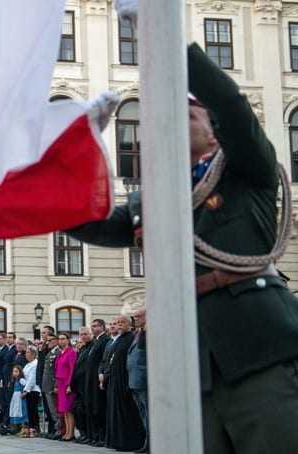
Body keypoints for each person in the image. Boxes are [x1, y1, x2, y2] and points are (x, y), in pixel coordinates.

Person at [70, 2, 298, 453]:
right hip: (187, 365)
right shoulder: (152, 199)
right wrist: (80, 144)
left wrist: (165, 40)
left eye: (185, 113)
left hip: (257, 351)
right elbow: (87, 223)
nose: (167, 121)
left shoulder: (245, 170)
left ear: (213, 131)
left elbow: (233, 107)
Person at [104, 315, 145, 452]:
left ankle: (129, 442)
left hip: (124, 380)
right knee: (115, 412)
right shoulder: (117, 340)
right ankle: (118, 441)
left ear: (129, 325)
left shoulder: (131, 337)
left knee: (126, 412)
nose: (119, 325)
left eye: (122, 322)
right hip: (114, 379)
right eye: (117, 322)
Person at [83, 319, 109, 446]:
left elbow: (103, 360)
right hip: (90, 379)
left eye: (96, 326)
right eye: (92, 326)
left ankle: (101, 437)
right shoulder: (96, 341)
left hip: (97, 379)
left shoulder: (104, 340)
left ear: (103, 327)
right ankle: (94, 436)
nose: (93, 328)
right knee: (92, 408)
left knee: (98, 408)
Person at [127, 308, 148, 453]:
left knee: (149, 414)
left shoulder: (149, 333)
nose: (136, 320)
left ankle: (150, 444)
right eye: (134, 317)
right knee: (143, 414)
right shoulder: (138, 333)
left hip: (144, 380)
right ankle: (147, 442)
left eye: (138, 316)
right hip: (134, 380)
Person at [54, 333, 77, 442]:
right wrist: (56, 385)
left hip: (67, 383)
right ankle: (67, 431)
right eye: (59, 339)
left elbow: (72, 369)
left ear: (68, 340)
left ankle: (71, 433)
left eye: (63, 339)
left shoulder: (71, 352)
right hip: (60, 383)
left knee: (69, 409)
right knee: (64, 410)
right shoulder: (60, 353)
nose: (61, 341)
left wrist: (69, 385)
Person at [72, 327, 93, 444]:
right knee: (78, 409)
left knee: (85, 409)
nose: (83, 336)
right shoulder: (83, 348)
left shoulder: (91, 346)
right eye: (81, 335)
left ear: (90, 334)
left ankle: (89, 434)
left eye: (85, 334)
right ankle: (83, 433)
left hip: (87, 383)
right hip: (79, 384)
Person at [40, 334, 61, 438]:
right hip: (46, 385)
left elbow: (56, 371)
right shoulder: (50, 352)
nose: (47, 342)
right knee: (51, 411)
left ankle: (59, 430)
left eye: (50, 340)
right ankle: (56, 429)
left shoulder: (58, 352)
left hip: (53, 385)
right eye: (47, 341)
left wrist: (55, 385)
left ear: (56, 341)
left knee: (55, 410)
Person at [22, 347, 41, 437]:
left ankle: (35, 427)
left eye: (28, 352)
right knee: (29, 409)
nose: (26, 354)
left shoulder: (35, 364)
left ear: (33, 354)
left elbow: (32, 379)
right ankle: (31, 426)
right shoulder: (28, 364)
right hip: (28, 388)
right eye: (26, 352)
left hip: (33, 390)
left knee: (33, 409)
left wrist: (26, 390)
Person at [8, 364, 28, 436]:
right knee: (15, 410)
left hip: (20, 397)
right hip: (15, 397)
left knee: (21, 411)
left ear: (20, 372)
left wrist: (24, 392)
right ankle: (16, 426)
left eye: (16, 371)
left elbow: (26, 386)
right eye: (13, 371)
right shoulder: (15, 380)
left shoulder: (21, 380)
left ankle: (23, 427)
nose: (14, 373)